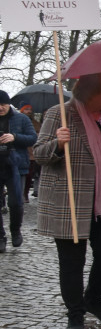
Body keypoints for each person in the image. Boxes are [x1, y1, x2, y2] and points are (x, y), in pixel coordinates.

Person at [34, 73, 101, 329]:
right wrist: (58, 143)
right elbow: (39, 154)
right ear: (90, 93)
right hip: (70, 200)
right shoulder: (60, 114)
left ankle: (93, 298)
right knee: (72, 262)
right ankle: (75, 314)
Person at [0, 91, 37, 252]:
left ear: (9, 105)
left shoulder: (21, 118)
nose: (0, 108)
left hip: (16, 166)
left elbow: (32, 138)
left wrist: (14, 137)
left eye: (3, 104)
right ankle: (0, 236)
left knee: (16, 202)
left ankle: (16, 230)